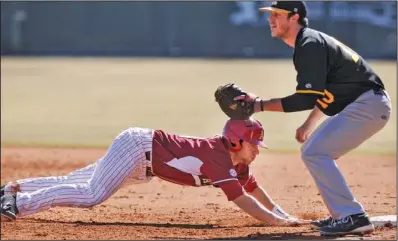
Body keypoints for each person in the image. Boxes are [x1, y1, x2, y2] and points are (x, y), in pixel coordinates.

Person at [228, 0, 392, 236]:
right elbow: (325, 93)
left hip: (367, 105)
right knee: (314, 151)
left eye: (277, 14)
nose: (270, 19)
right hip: (366, 104)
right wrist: (308, 124)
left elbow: (304, 99)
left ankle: (352, 216)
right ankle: (344, 214)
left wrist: (257, 105)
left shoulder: (309, 44)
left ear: (294, 17)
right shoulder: (310, 42)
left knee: (315, 152)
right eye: (270, 14)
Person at [1, 119, 308, 227]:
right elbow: (243, 200)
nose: (257, 149)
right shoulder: (218, 158)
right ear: (236, 141)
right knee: (91, 195)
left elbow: (254, 190)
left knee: (78, 183)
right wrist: (277, 222)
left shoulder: (238, 163)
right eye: (254, 143)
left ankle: (13, 189)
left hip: (145, 163)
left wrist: (283, 214)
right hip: (138, 147)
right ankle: (17, 205)